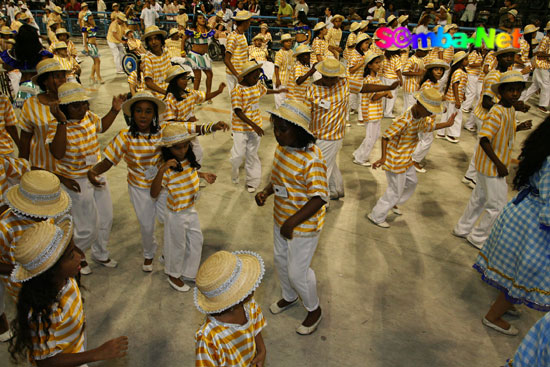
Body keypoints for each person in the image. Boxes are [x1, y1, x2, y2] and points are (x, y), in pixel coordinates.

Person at [8, 219, 129, 365]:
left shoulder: (67, 278)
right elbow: (46, 362)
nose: (80, 257)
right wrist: (96, 354)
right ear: (51, 271)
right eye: (72, 255)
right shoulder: (42, 313)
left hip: (75, 345)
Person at [254, 100, 327, 335]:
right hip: (282, 219)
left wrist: (292, 222)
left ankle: (314, 309)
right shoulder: (282, 149)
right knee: (281, 261)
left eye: (282, 130)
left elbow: (319, 198)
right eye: (275, 128)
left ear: (300, 130)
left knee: (298, 271)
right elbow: (277, 177)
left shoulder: (312, 159)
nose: (277, 134)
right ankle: (289, 295)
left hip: (302, 226)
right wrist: (266, 191)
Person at [473, 116, 550, 337]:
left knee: (517, 266)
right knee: (526, 272)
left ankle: (504, 303)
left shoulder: (543, 146)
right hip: (536, 223)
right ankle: (494, 315)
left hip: (523, 212)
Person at [47, 82, 125, 274]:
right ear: (64, 108)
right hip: (76, 180)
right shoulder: (55, 125)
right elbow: (57, 153)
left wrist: (114, 111)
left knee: (106, 218)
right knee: (86, 226)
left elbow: (102, 127)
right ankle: (76, 255)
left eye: (84, 104)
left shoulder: (88, 117)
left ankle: (100, 252)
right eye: (76, 105)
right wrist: (62, 122)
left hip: (97, 173)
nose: (82, 108)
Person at [87, 93, 167, 273]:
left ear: (154, 114)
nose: (143, 115)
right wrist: (94, 171)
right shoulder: (125, 136)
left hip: (163, 185)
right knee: (147, 224)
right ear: (131, 114)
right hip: (139, 188)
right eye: (138, 111)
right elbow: (109, 160)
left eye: (148, 111)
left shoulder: (163, 132)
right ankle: (149, 253)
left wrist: (211, 127)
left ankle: (168, 251)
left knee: (169, 218)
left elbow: (185, 131)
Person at [453, 71, 533, 249]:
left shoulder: (509, 110)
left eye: (518, 90)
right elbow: (484, 139)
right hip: (492, 167)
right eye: (510, 90)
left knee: (478, 199)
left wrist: (519, 127)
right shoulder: (496, 112)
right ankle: (479, 237)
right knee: (496, 205)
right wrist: (499, 164)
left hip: (487, 166)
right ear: (501, 91)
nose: (515, 94)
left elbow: (503, 133)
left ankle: (462, 228)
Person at [306, 58, 397, 200]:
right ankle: (336, 189)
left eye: (333, 78)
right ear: (322, 75)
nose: (331, 82)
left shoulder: (344, 83)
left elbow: (364, 88)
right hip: (316, 134)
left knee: (321, 168)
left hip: (333, 135)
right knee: (328, 163)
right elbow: (308, 111)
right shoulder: (312, 89)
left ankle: (321, 200)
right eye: (327, 78)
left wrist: (387, 88)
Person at [368, 88, 457, 228]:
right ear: (420, 105)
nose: (430, 114)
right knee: (394, 190)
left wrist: (447, 124)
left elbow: (428, 127)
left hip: (406, 158)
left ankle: (395, 202)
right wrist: (383, 158)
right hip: (395, 160)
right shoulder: (404, 120)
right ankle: (376, 215)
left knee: (412, 182)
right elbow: (386, 137)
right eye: (429, 110)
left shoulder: (420, 117)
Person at [150, 123, 216, 291]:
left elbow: (190, 172)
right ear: (168, 149)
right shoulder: (166, 168)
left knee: (196, 239)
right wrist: (162, 171)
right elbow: (154, 192)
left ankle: (188, 272)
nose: (182, 150)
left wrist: (203, 175)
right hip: (176, 213)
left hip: (190, 208)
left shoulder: (188, 161)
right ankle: (173, 274)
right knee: (176, 245)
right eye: (177, 148)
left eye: (185, 145)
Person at [462, 47, 521, 189]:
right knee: (486, 147)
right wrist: (505, 107)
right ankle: (476, 179)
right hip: (485, 116)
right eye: (506, 56)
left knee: (479, 148)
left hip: (489, 115)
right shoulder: (494, 76)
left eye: (511, 56)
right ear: (498, 59)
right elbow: (486, 101)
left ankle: (470, 175)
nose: (509, 59)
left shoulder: (505, 74)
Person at [194, 250, 266, 365]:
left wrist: (262, 351)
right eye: (245, 284)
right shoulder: (209, 337)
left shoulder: (250, 306)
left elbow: (256, 328)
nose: (253, 286)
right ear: (231, 301)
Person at [230, 61, 286, 193]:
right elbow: (238, 111)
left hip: (256, 125)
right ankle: (235, 171)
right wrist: (253, 125)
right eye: (254, 77)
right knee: (238, 155)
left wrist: (278, 91)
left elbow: (264, 91)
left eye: (257, 77)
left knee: (252, 154)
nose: (256, 80)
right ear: (246, 76)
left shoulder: (256, 84)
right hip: (241, 127)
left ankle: (252, 181)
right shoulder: (237, 91)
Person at [162, 64, 228, 163]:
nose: (186, 81)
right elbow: (171, 125)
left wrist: (218, 91)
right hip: (177, 135)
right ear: (175, 81)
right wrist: (186, 122)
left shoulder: (188, 93)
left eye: (186, 78)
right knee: (190, 156)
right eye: (183, 79)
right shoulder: (169, 101)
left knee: (197, 154)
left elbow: (203, 96)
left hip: (189, 130)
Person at [18, 59, 67, 175]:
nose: (62, 80)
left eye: (63, 76)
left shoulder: (72, 101)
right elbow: (25, 140)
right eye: (57, 76)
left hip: (70, 168)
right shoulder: (31, 104)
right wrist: (22, 169)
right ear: (45, 81)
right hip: (43, 168)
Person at [353, 52, 396, 166]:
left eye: (379, 62)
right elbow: (373, 97)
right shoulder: (368, 80)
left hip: (376, 111)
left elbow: (378, 93)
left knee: (374, 135)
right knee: (371, 137)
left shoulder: (376, 78)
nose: (379, 65)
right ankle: (361, 158)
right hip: (370, 111)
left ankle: (358, 153)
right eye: (376, 63)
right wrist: (385, 92)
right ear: (369, 65)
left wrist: (386, 93)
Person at [411, 59, 449, 173]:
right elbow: (421, 100)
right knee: (427, 139)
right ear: (430, 71)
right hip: (425, 115)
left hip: (429, 114)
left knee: (423, 138)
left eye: (441, 70)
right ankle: (414, 160)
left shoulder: (435, 83)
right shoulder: (428, 84)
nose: (439, 72)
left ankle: (414, 157)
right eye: (436, 69)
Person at [437, 51, 469, 143]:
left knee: (447, 114)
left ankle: (441, 132)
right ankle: (451, 134)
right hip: (454, 99)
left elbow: (461, 86)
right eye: (466, 60)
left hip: (452, 97)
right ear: (460, 62)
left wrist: (463, 96)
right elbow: (455, 85)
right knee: (455, 116)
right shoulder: (459, 72)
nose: (468, 61)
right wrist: (458, 100)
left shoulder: (459, 71)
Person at [184, 12, 216, 97]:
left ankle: (208, 94)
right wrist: (182, 51)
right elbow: (183, 39)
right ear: (196, 20)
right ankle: (195, 96)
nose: (202, 20)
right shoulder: (193, 30)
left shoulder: (208, 30)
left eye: (203, 18)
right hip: (195, 55)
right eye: (200, 18)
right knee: (198, 77)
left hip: (204, 56)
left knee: (210, 75)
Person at [521, 23, 550, 112]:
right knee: (546, 85)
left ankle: (521, 101)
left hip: (543, 65)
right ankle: (542, 105)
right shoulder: (546, 39)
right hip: (542, 65)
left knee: (534, 85)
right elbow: (540, 53)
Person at [224, 10, 251, 92]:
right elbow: (226, 59)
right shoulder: (233, 37)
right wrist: (237, 75)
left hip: (242, 73)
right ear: (244, 23)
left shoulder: (242, 35)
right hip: (234, 75)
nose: (250, 24)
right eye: (248, 22)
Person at [142, 25, 171, 98]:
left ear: (161, 40)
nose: (153, 42)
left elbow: (170, 72)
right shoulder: (148, 58)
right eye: (150, 40)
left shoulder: (166, 52)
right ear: (147, 43)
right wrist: (166, 93)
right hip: (155, 92)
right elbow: (149, 83)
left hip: (167, 88)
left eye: (156, 38)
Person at [401, 46, 429, 112]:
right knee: (410, 107)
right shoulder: (411, 60)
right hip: (410, 86)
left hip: (416, 85)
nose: (426, 54)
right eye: (424, 52)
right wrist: (418, 73)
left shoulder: (420, 60)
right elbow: (404, 72)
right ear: (419, 51)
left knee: (408, 107)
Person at [82, 9, 103, 84]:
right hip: (90, 46)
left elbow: (94, 36)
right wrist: (86, 47)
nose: (91, 20)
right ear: (87, 20)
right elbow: (84, 38)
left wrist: (96, 43)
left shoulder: (93, 26)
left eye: (92, 19)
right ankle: (98, 77)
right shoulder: (85, 27)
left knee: (96, 61)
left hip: (94, 45)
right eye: (90, 19)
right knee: (97, 61)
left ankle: (92, 75)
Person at [381, 46, 403, 118]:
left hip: (384, 77)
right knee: (392, 96)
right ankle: (388, 113)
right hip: (393, 78)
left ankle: (382, 111)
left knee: (384, 95)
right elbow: (398, 70)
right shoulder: (396, 58)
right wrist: (401, 79)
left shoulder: (384, 56)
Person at [274, 33, 294, 108]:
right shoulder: (279, 53)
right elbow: (276, 67)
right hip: (281, 79)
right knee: (279, 100)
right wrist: (277, 79)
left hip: (289, 80)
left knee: (286, 100)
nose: (289, 43)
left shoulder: (291, 52)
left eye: (290, 41)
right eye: (286, 41)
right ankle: (279, 116)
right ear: (282, 43)